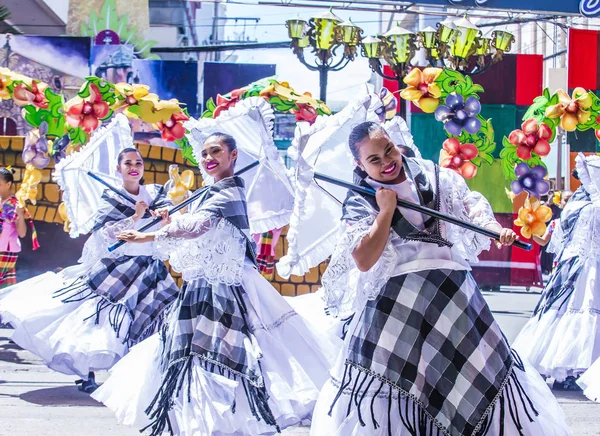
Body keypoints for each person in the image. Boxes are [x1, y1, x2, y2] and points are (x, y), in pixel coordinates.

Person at [310, 122, 570, 436]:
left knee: (474, 378)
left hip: (453, 296)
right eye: (373, 160)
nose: (386, 161)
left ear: (395, 142)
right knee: (394, 396)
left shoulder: (436, 175)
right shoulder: (361, 199)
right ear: (359, 165)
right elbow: (364, 260)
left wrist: (492, 227)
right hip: (397, 308)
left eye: (388, 149)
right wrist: (384, 212)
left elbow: (470, 204)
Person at [92, 133, 336, 435]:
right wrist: (170, 222)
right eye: (204, 153)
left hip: (224, 290)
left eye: (216, 151)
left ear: (233, 156)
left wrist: (149, 235)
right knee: (191, 355)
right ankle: (203, 423)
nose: (208, 158)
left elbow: (199, 227)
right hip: (199, 288)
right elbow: (198, 231)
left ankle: (222, 421)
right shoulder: (210, 192)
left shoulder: (231, 191)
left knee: (223, 354)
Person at [0, 148, 179, 393]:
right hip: (120, 268)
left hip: (151, 269)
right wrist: (135, 216)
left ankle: (143, 374)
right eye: (127, 163)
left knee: (155, 318)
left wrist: (165, 215)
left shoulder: (157, 192)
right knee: (100, 320)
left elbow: (171, 216)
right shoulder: (111, 196)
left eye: (137, 162)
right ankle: (87, 373)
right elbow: (104, 231)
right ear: (119, 169)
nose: (133, 166)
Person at [514, 155, 600, 392]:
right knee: (582, 313)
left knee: (563, 316)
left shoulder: (575, 206)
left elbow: (554, 240)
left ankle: (561, 371)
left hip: (569, 269)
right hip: (586, 269)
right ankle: (573, 371)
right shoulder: (591, 207)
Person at [0, 168, 30, 288]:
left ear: (8, 184)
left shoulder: (14, 204)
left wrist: (21, 216)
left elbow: (22, 233)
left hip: (5, 251)